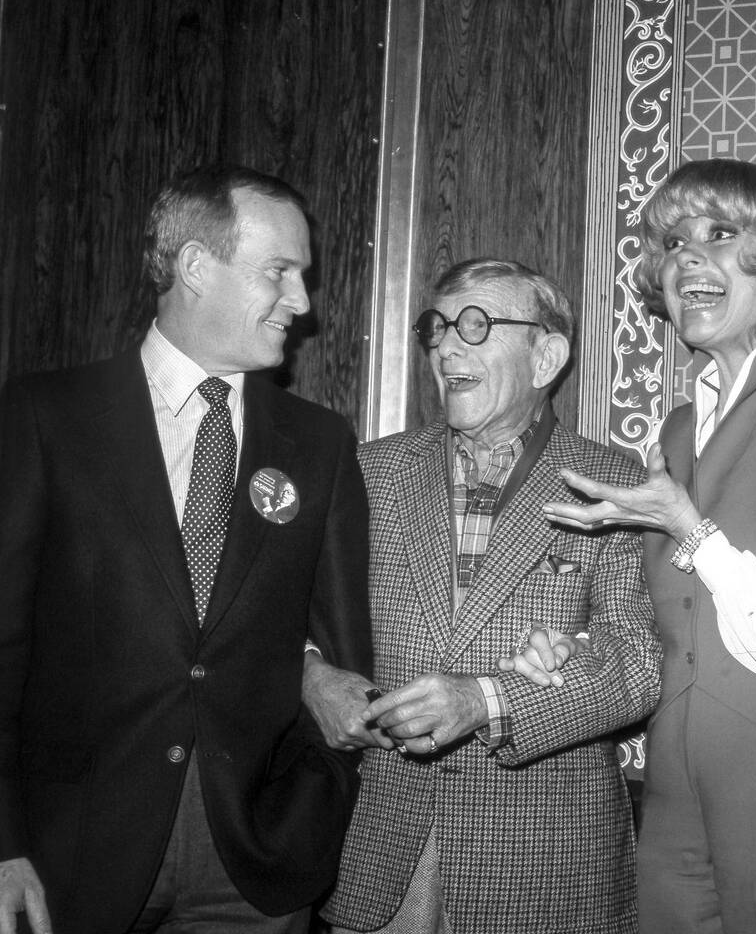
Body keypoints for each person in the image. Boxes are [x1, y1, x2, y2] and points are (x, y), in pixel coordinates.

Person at [0, 165, 373, 934]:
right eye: (280, 272)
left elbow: (341, 650)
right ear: (197, 266)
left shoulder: (320, 444)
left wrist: (311, 807)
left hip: (256, 865)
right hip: (70, 858)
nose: (302, 303)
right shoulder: (47, 418)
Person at [538, 158, 756, 934]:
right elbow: (681, 624)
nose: (687, 257)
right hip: (670, 787)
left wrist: (689, 527)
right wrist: (577, 651)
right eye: (674, 242)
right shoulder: (679, 430)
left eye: (721, 235)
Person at [318, 258, 662, 934]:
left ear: (547, 355)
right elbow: (280, 610)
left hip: (545, 858)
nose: (447, 347)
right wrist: (310, 675)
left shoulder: (613, 483)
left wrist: (486, 699)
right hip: (379, 844)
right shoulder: (370, 471)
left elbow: (640, 667)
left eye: (475, 326)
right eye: (438, 327)